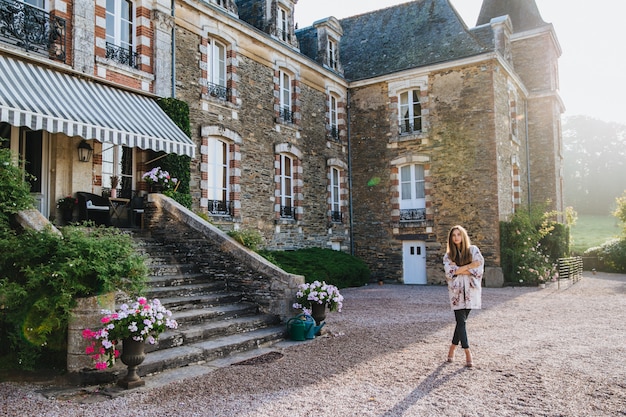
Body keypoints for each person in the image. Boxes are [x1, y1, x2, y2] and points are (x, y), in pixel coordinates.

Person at [443, 225, 484, 367]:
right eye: (453, 235)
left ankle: (451, 349)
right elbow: (450, 273)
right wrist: (469, 266)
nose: (456, 238)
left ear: (463, 236)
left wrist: (460, 269)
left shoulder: (473, 250)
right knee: (461, 322)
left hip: (471, 292)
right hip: (456, 293)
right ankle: (467, 352)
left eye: (458, 235)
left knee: (461, 322)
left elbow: (479, 269)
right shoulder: (448, 256)